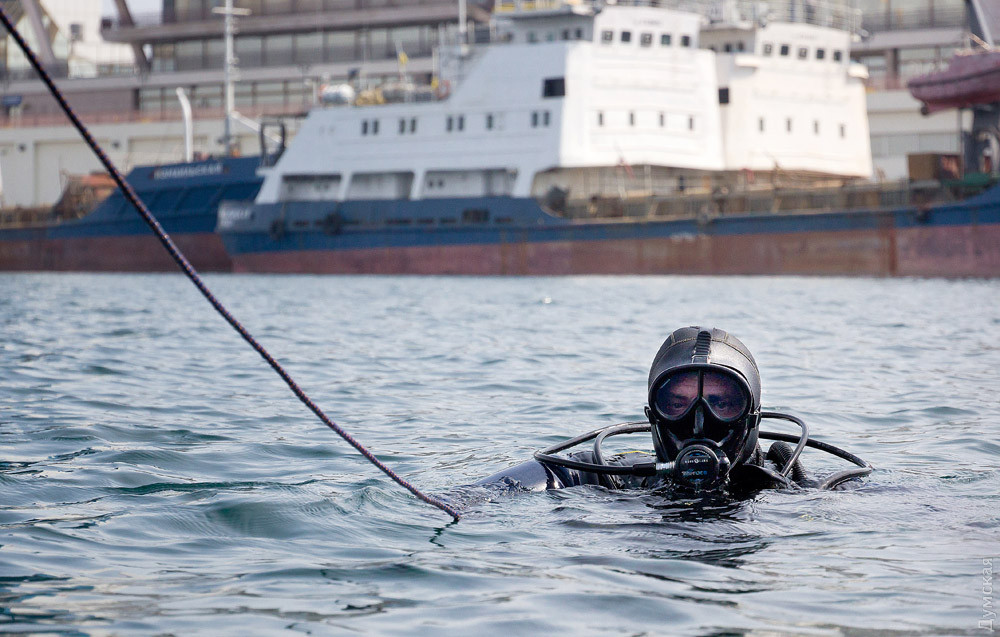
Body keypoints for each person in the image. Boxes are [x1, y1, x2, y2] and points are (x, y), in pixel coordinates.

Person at [474, 326, 831, 496]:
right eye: (677, 404)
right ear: (653, 417)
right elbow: (538, 478)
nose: (699, 421)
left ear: (752, 417)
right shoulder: (620, 478)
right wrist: (466, 499)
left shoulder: (799, 487)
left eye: (722, 403)